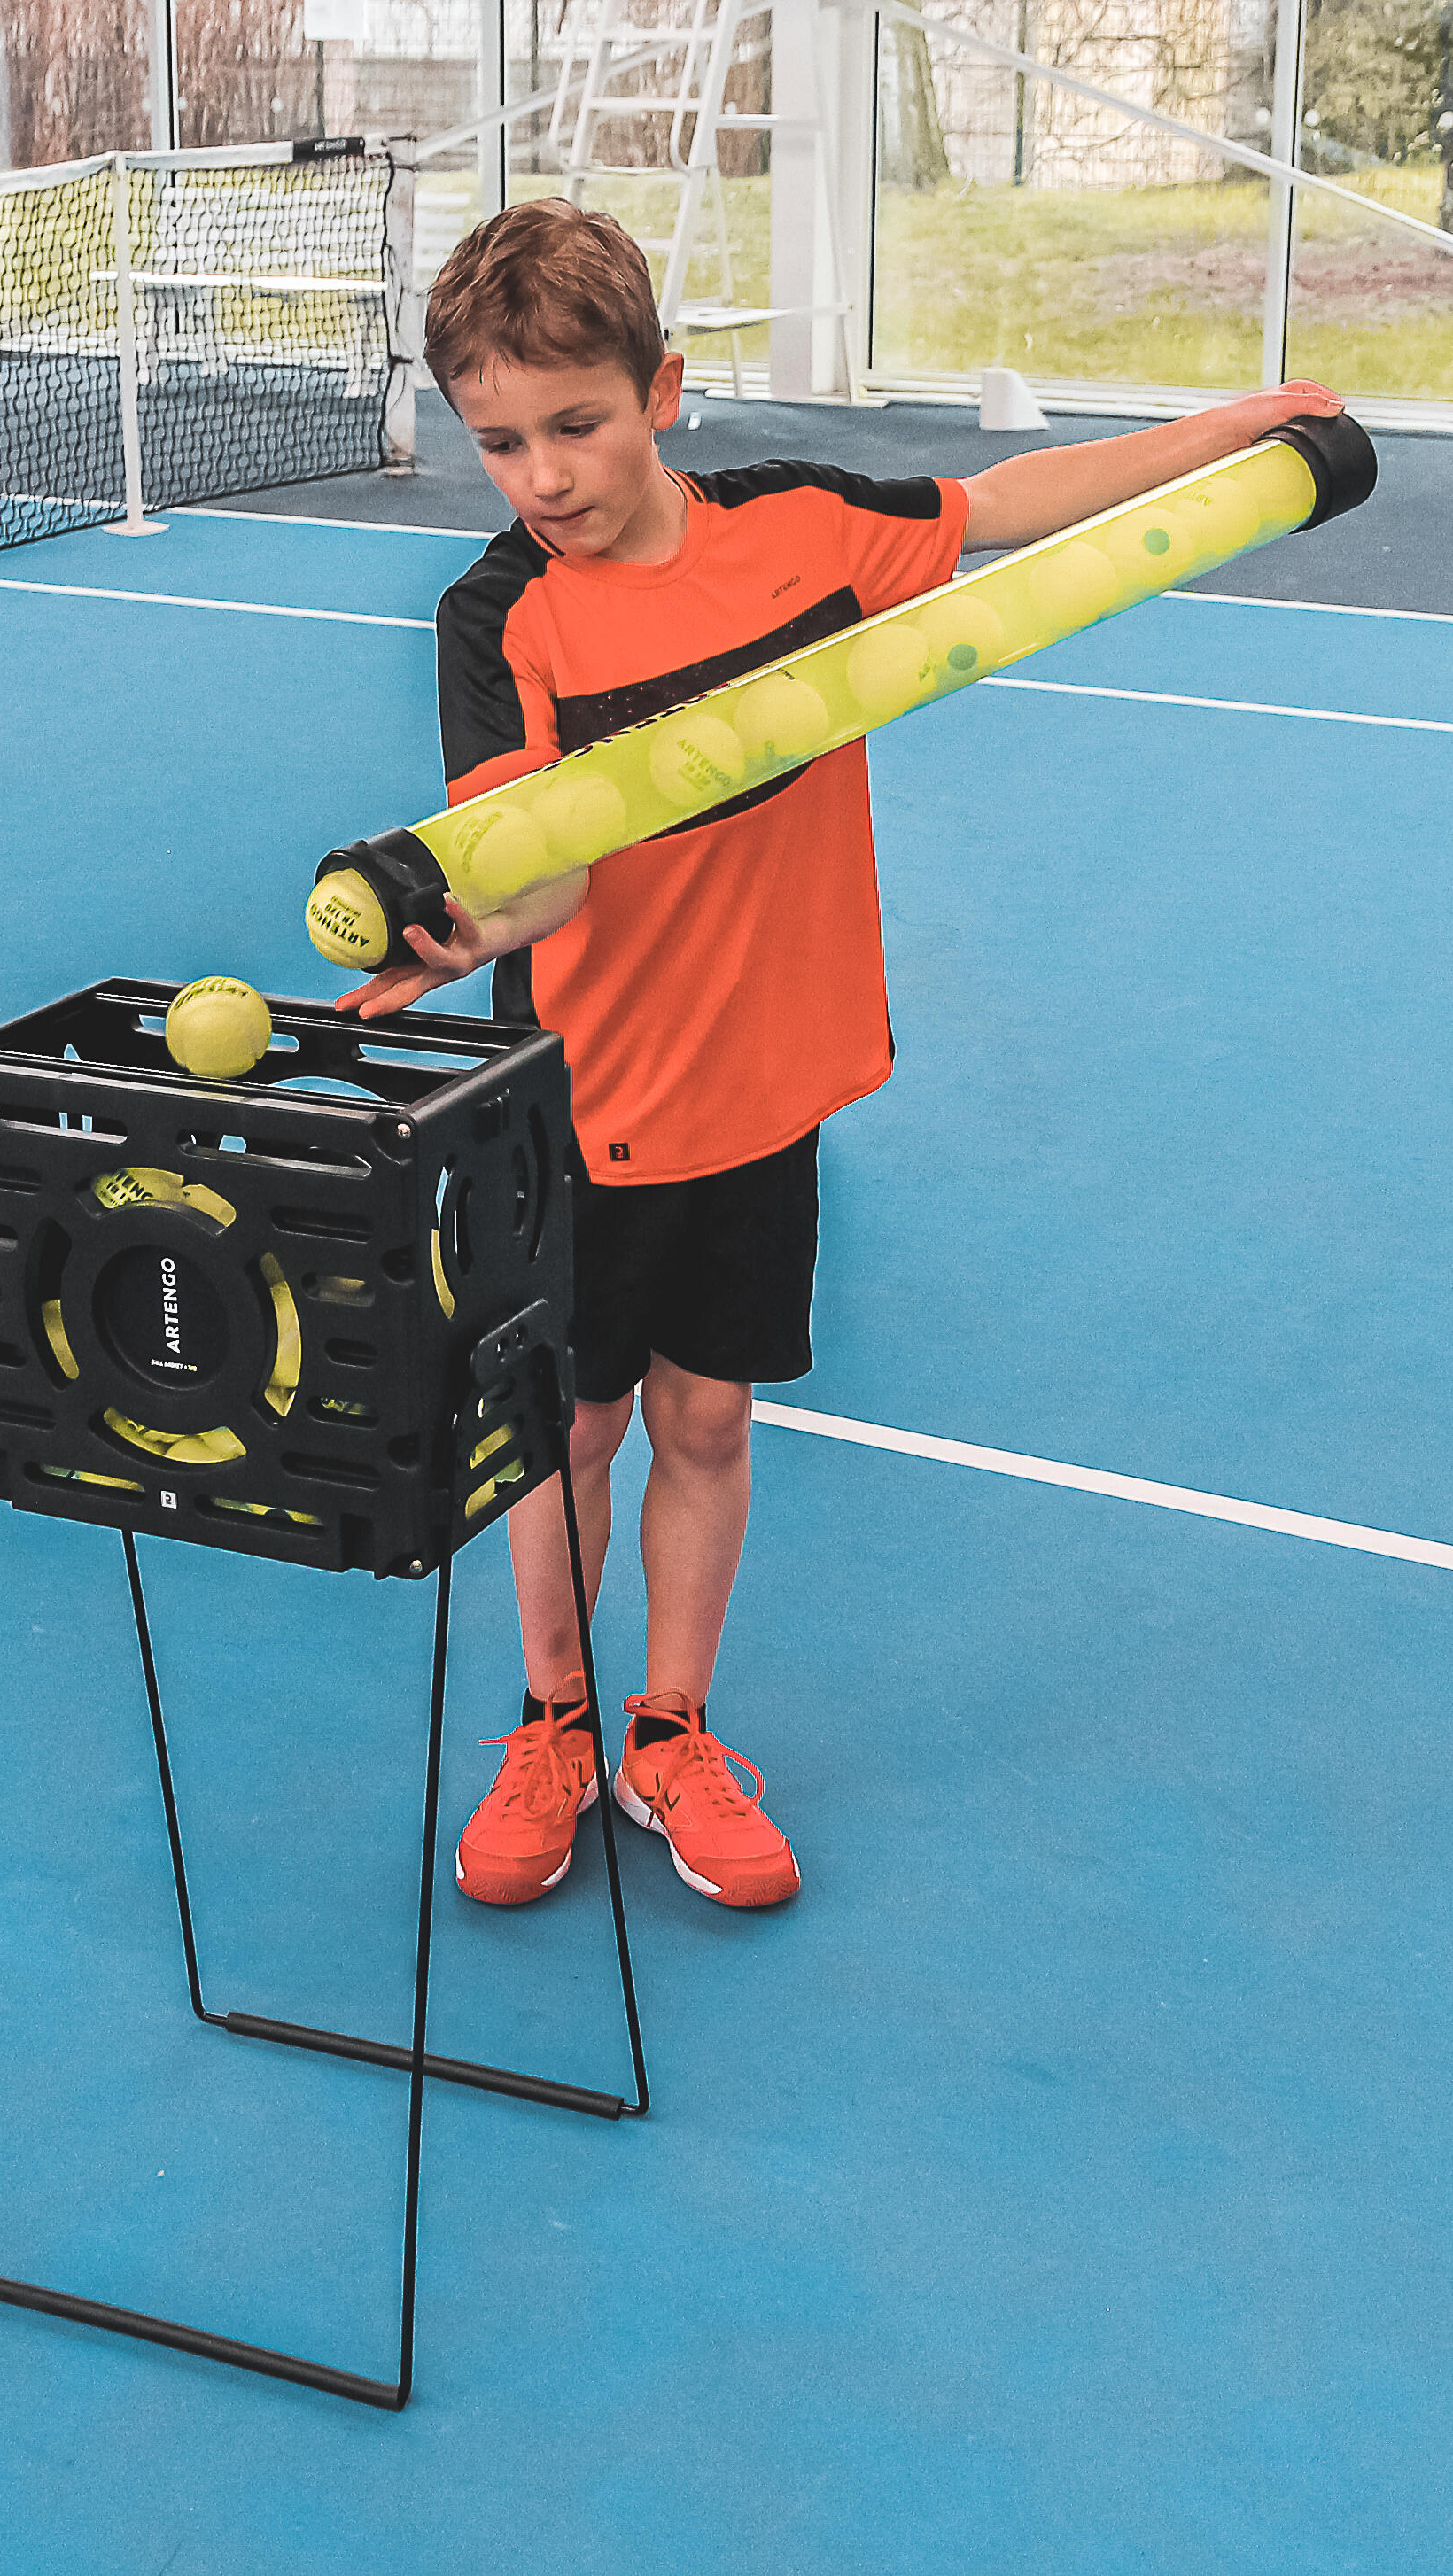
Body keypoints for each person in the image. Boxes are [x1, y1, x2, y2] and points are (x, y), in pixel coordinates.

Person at [339, 197, 1340, 1913]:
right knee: (566, 1434)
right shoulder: (497, 615)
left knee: (705, 1416)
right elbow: (542, 846)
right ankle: (553, 1720)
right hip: (581, 1104)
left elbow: (1002, 504)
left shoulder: (796, 530)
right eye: (497, 442)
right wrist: (478, 930)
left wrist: (1231, 432)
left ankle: (668, 1729)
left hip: (760, 1080)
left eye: (571, 426)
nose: (541, 476)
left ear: (662, 392)